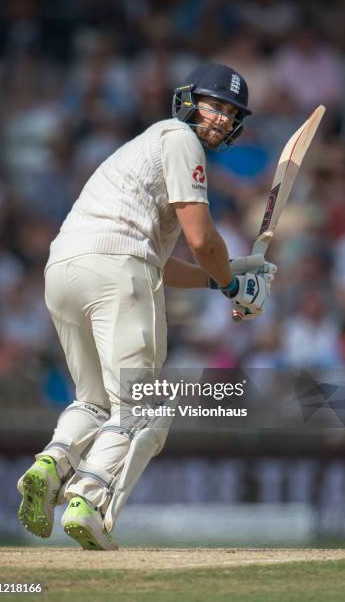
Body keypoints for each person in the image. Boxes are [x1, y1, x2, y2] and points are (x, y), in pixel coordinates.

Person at [17, 63, 277, 550]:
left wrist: (223, 281)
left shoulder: (144, 147)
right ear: (188, 100)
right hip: (117, 268)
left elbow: (163, 264)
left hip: (64, 270)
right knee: (143, 406)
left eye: (231, 113)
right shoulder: (182, 142)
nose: (221, 119)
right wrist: (234, 287)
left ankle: (50, 467)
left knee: (95, 401)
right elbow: (202, 241)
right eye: (214, 105)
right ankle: (89, 500)